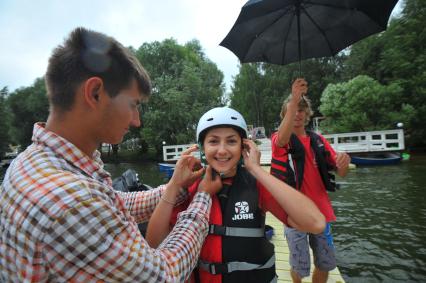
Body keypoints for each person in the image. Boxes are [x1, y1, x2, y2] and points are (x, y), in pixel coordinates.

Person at [0, 27, 223, 282]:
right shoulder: (71, 202)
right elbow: (164, 275)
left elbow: (113, 203)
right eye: (132, 104)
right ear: (95, 93)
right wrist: (203, 196)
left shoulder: (33, 162)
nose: (137, 121)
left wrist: (175, 187)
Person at [145, 107, 326, 283]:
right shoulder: (190, 187)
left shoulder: (256, 184)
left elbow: (315, 223)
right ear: (202, 147)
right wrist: (174, 185)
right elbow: (154, 245)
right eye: (213, 141)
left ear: (244, 146)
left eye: (231, 141)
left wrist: (256, 169)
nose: (222, 150)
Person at [270, 78, 351, 283]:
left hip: (321, 214)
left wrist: (343, 163)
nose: (297, 113)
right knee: (299, 265)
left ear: (307, 114)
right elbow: (282, 139)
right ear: (285, 114)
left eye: (301, 110)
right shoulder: (279, 140)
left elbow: (341, 173)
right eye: (292, 109)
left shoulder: (319, 140)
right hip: (293, 214)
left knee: (325, 263)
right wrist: (295, 97)